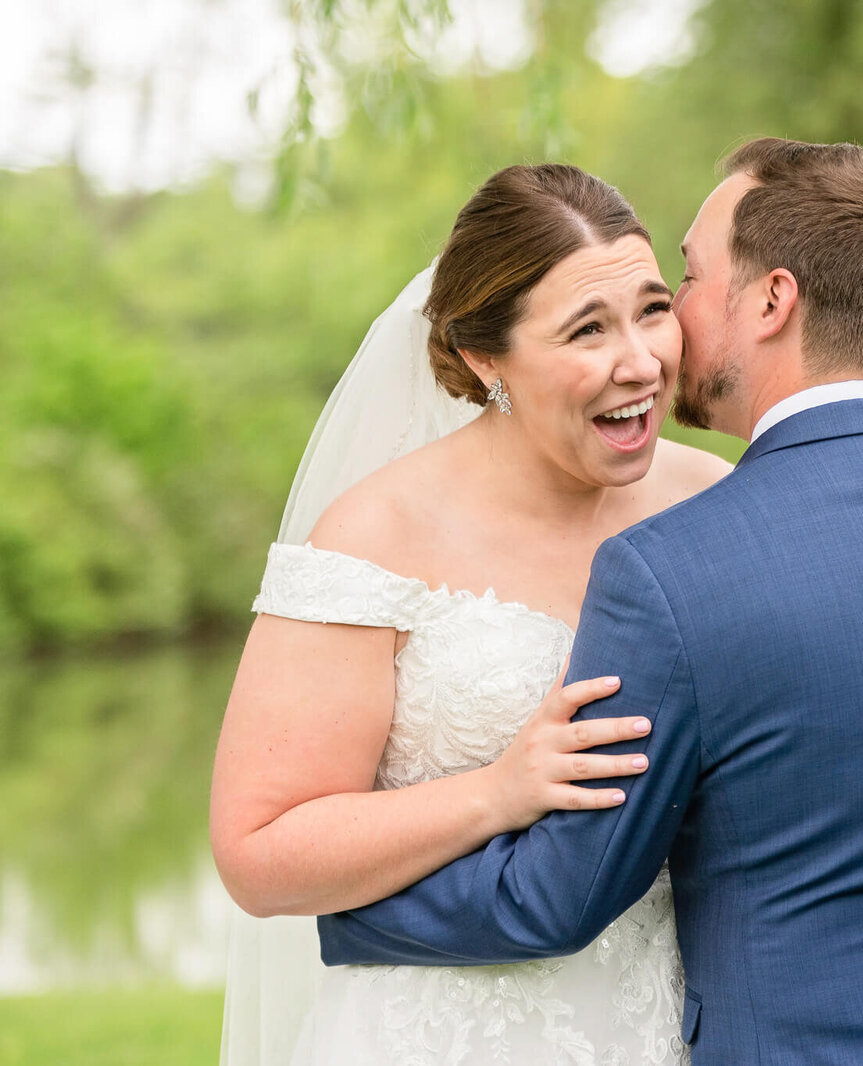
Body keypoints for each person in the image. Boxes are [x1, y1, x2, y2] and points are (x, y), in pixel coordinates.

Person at [319, 138, 863, 1064]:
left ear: (771, 300)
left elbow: (556, 896)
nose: (672, 326)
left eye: (686, 280)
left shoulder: (672, 566)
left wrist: (338, 914)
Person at [209, 163, 730, 1065]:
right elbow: (259, 851)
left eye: (652, 309)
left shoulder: (714, 502)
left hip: (657, 1023)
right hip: (438, 1032)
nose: (641, 362)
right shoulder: (377, 533)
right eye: (586, 330)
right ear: (487, 357)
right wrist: (496, 791)